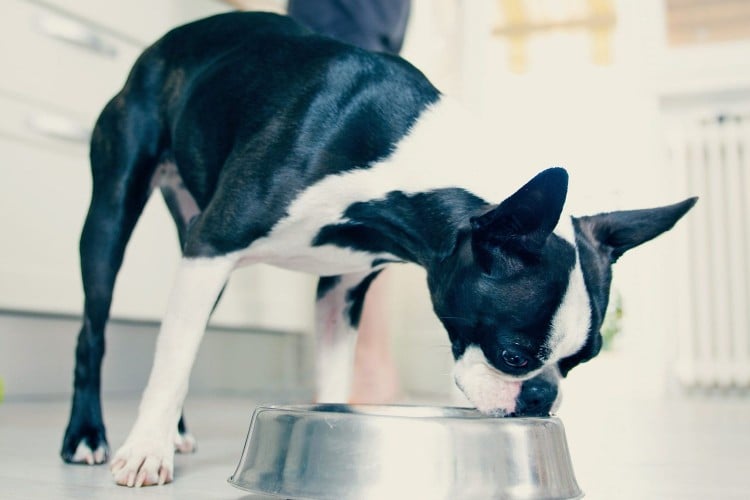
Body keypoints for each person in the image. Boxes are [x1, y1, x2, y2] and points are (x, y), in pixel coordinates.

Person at [287, 0, 412, 403]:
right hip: (374, 19)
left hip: (346, 18)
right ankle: (369, 365)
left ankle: (366, 367)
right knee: (363, 180)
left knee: (353, 190)